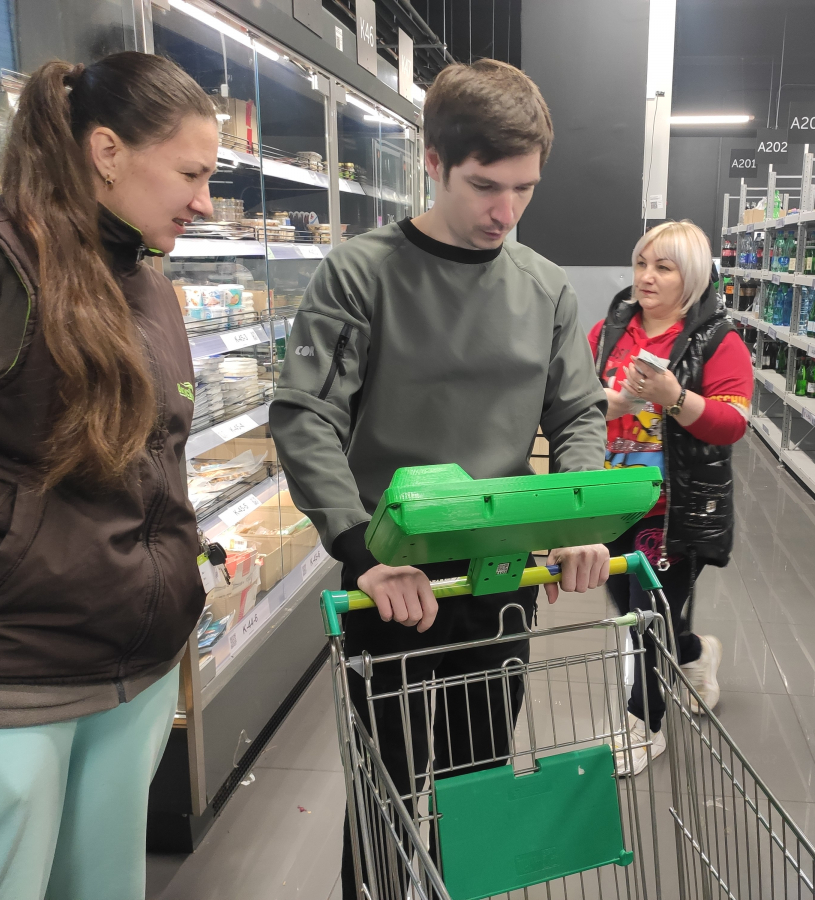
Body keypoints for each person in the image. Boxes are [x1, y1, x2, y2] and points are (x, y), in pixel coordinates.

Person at [269, 59, 611, 899]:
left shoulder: (545, 289)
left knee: (479, 777)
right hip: (388, 574)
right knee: (384, 785)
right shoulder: (360, 274)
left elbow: (578, 414)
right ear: (434, 163)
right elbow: (306, 415)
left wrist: (576, 521)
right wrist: (359, 549)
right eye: (485, 186)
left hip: (500, 575)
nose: (506, 211)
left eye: (525, 189)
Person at [0, 53, 217, 899]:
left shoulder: (148, 283)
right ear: (106, 152)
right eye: (191, 174)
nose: (205, 202)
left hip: (131, 672)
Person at [588, 220, 753, 776]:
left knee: (643, 619)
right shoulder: (609, 330)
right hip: (609, 501)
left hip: (672, 509)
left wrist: (674, 397)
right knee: (629, 606)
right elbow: (575, 398)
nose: (647, 277)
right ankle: (695, 652)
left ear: (693, 276)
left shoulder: (718, 340)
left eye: (664, 267)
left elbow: (731, 423)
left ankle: (644, 725)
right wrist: (613, 403)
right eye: (642, 263)